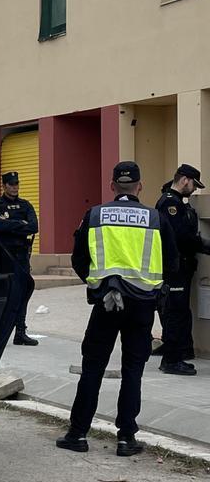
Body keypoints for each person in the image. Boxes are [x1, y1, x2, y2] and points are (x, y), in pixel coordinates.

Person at [57, 161, 178, 457]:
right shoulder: (156, 217)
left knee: (93, 368)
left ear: (112, 186)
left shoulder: (95, 214)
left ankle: (78, 434)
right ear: (140, 186)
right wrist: (154, 289)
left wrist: (97, 284)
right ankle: (126, 438)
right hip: (142, 306)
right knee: (133, 370)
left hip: (106, 303)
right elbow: (172, 262)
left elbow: (78, 258)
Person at [155, 164, 210, 375]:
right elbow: (180, 237)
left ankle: (181, 351)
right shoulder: (170, 203)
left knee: (180, 311)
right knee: (175, 312)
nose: (195, 189)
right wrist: (205, 246)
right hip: (174, 267)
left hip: (181, 266)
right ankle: (171, 360)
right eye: (194, 184)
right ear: (184, 180)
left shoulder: (177, 202)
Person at [0, 171, 39, 346]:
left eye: (17, 184)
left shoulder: (26, 205)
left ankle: (20, 332)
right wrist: (21, 225)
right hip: (3, 255)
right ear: (4, 186)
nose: (15, 187)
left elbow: (34, 226)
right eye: (11, 184)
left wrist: (11, 226)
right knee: (5, 294)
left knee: (23, 292)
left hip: (21, 255)